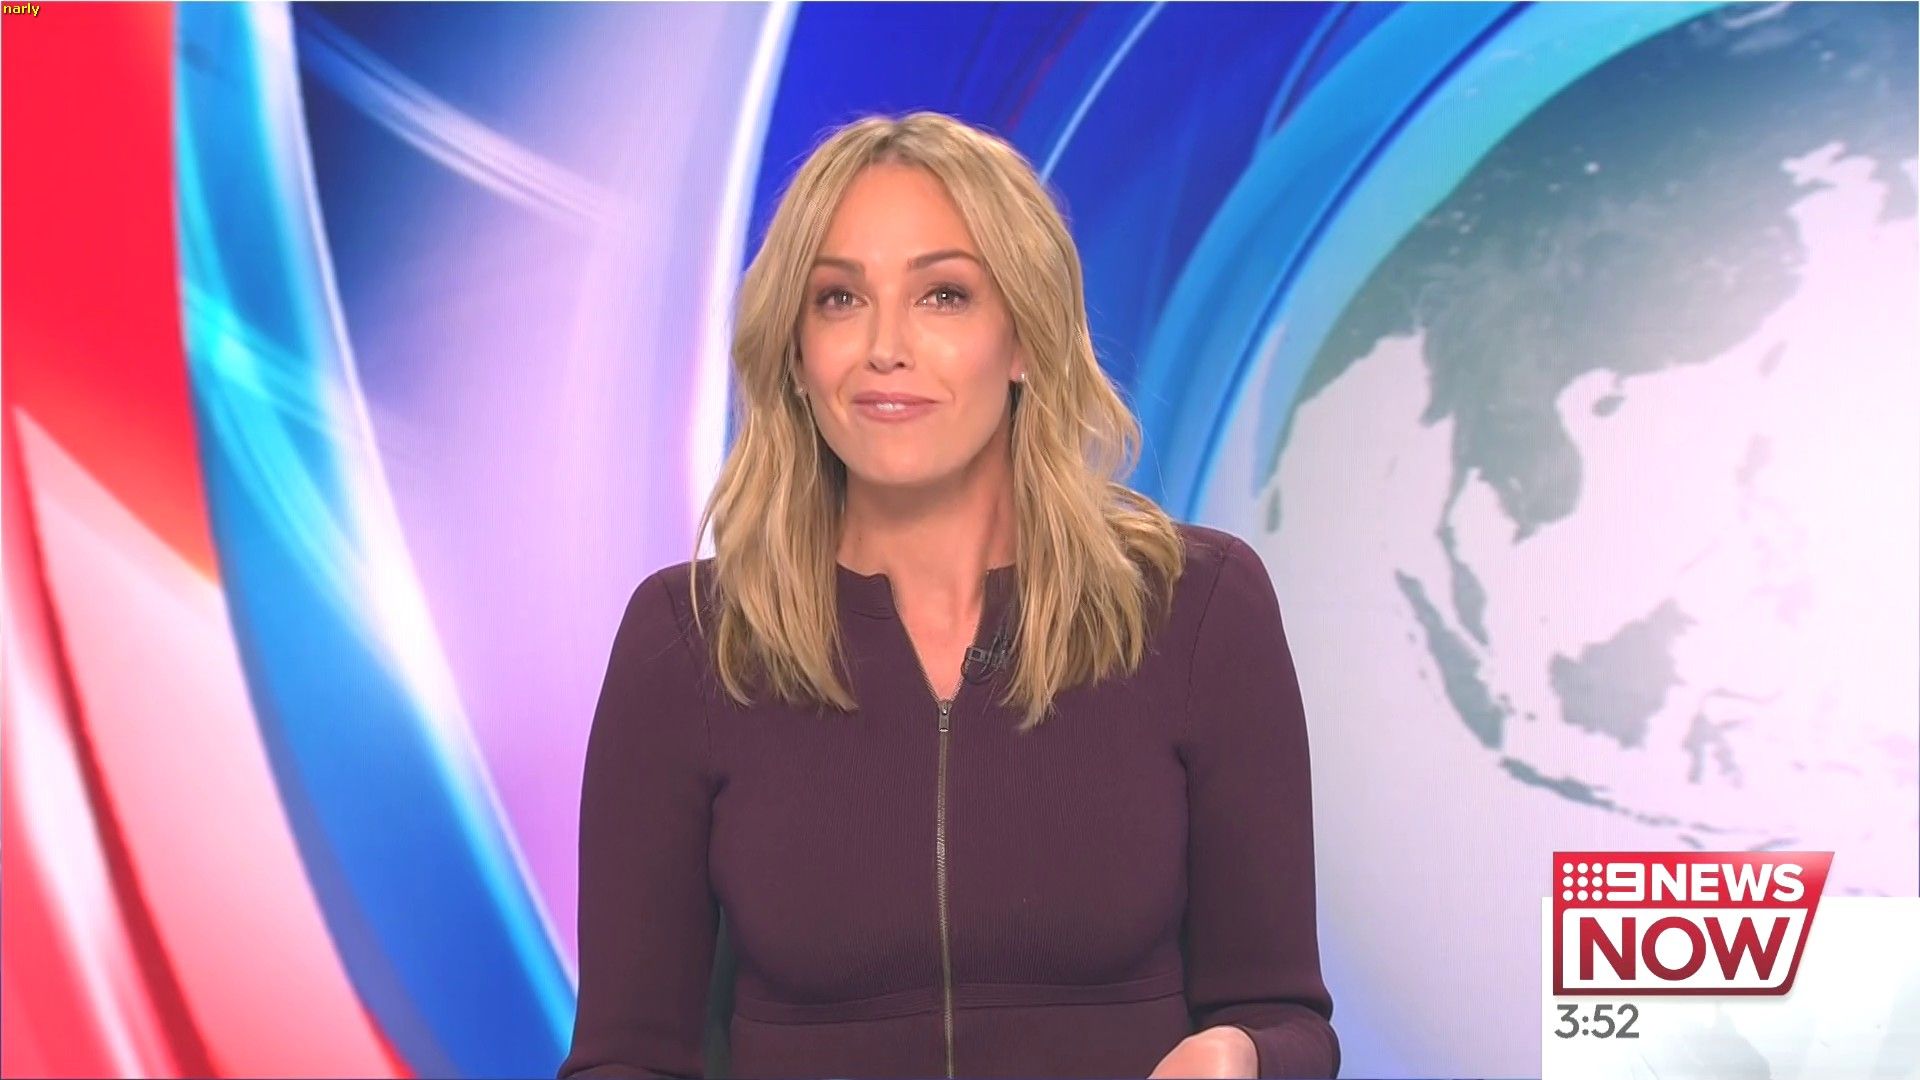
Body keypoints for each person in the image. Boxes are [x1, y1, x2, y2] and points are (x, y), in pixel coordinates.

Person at [560, 111, 1337, 1080]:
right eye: (839, 299)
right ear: (796, 355)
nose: (885, 347)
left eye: (943, 296)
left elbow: (1284, 1016)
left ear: (1024, 341)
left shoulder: (1196, 609)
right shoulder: (689, 643)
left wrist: (1238, 1057)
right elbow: (625, 1059)